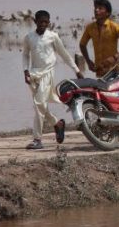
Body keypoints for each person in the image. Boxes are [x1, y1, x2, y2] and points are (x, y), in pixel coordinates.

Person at [22, 10, 83, 150]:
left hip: (47, 73)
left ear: (49, 23)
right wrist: (25, 71)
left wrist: (77, 70)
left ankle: (37, 139)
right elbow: (25, 55)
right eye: (41, 21)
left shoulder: (53, 36)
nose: (43, 24)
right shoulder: (29, 37)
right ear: (35, 21)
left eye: (46, 22)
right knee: (41, 105)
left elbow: (64, 54)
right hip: (33, 74)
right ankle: (57, 124)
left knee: (38, 104)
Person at [79, 0, 119, 78]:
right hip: (99, 71)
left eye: (100, 8)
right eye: (95, 8)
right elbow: (82, 45)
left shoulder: (114, 27)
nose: (96, 10)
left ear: (107, 13)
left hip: (114, 71)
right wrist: (88, 61)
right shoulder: (90, 28)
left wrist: (116, 56)